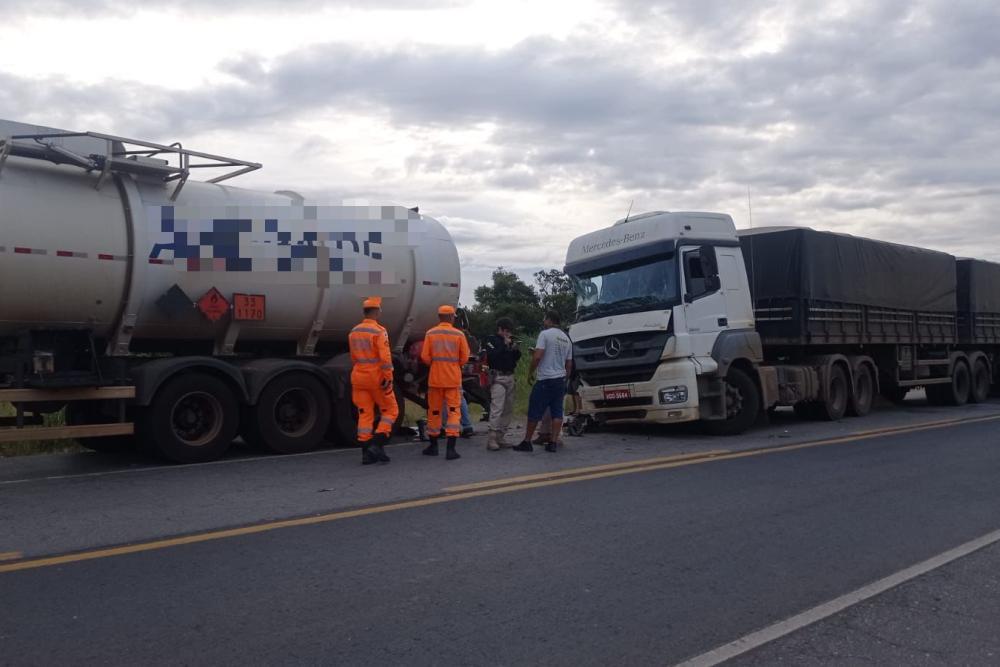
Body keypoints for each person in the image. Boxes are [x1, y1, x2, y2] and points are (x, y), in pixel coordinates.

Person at [514, 311, 573, 453]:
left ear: (549, 320)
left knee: (534, 410)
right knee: (557, 412)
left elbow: (537, 357)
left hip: (545, 379)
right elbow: (569, 364)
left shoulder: (545, 334)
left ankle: (527, 441)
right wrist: (565, 379)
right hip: (560, 380)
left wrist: (530, 372)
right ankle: (553, 442)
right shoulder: (566, 338)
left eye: (544, 319)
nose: (543, 322)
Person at [348, 296, 397, 465]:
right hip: (376, 378)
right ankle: (376, 445)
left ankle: (366, 455)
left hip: (358, 378)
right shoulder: (379, 331)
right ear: (376, 311)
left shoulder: (354, 331)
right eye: (380, 309)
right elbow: (385, 358)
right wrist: (388, 378)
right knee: (391, 410)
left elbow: (353, 357)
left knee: (365, 414)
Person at [420, 304, 470, 460]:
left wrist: (436, 365)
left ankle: (433, 446)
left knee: (434, 412)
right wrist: (454, 365)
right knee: (453, 412)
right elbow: (464, 358)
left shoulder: (430, 333)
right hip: (453, 380)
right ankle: (450, 449)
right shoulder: (459, 334)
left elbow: (425, 357)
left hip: (435, 380)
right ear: (451, 317)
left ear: (439, 317)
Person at [484, 316, 520, 450]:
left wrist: (515, 349)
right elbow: (492, 356)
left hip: (510, 375)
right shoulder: (491, 340)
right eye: (506, 330)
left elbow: (515, 358)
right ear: (500, 329)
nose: (508, 333)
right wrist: (504, 345)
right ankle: (492, 437)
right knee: (497, 408)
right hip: (497, 377)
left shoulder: (510, 341)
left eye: (509, 331)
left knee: (508, 408)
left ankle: (501, 436)